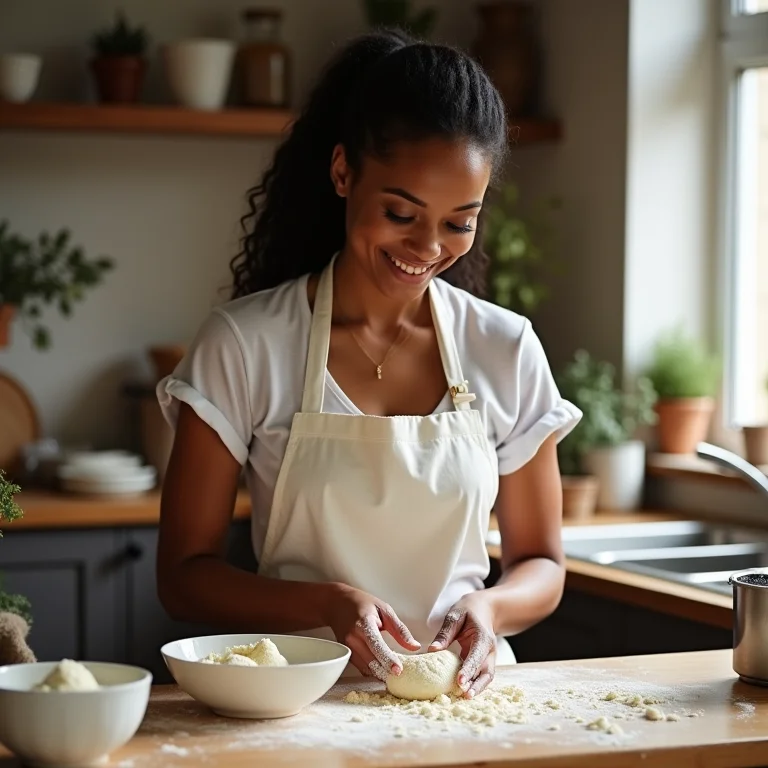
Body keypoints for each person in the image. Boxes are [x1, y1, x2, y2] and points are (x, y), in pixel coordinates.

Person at [156, 28, 581, 700]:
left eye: (458, 221)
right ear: (342, 173)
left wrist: (491, 610)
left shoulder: (505, 347)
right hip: (297, 705)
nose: (428, 246)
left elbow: (541, 564)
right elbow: (183, 576)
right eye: (401, 212)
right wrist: (327, 605)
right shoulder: (246, 343)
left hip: (467, 709)